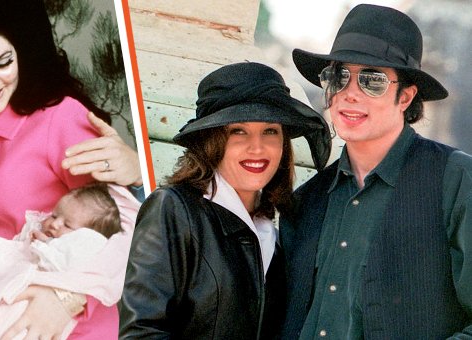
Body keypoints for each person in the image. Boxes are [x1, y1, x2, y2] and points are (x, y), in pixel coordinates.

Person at [0, 0, 143, 337]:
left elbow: (134, 228)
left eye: (3, 63)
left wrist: (69, 299)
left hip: (76, 320)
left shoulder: (61, 120)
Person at [280, 4, 472, 339]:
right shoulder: (307, 200)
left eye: (372, 80)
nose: (350, 94)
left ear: (405, 97)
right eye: (338, 77)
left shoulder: (455, 181)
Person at [120, 62, 331, 338]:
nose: (257, 147)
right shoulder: (173, 210)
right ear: (212, 140)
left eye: (270, 131)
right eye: (238, 131)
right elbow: (141, 332)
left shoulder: (279, 237)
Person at [0, 183, 124, 340]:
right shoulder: (36, 234)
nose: (54, 224)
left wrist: (43, 247)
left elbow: (64, 264)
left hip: (45, 310)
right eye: (54, 215)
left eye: (68, 225)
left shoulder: (85, 252)